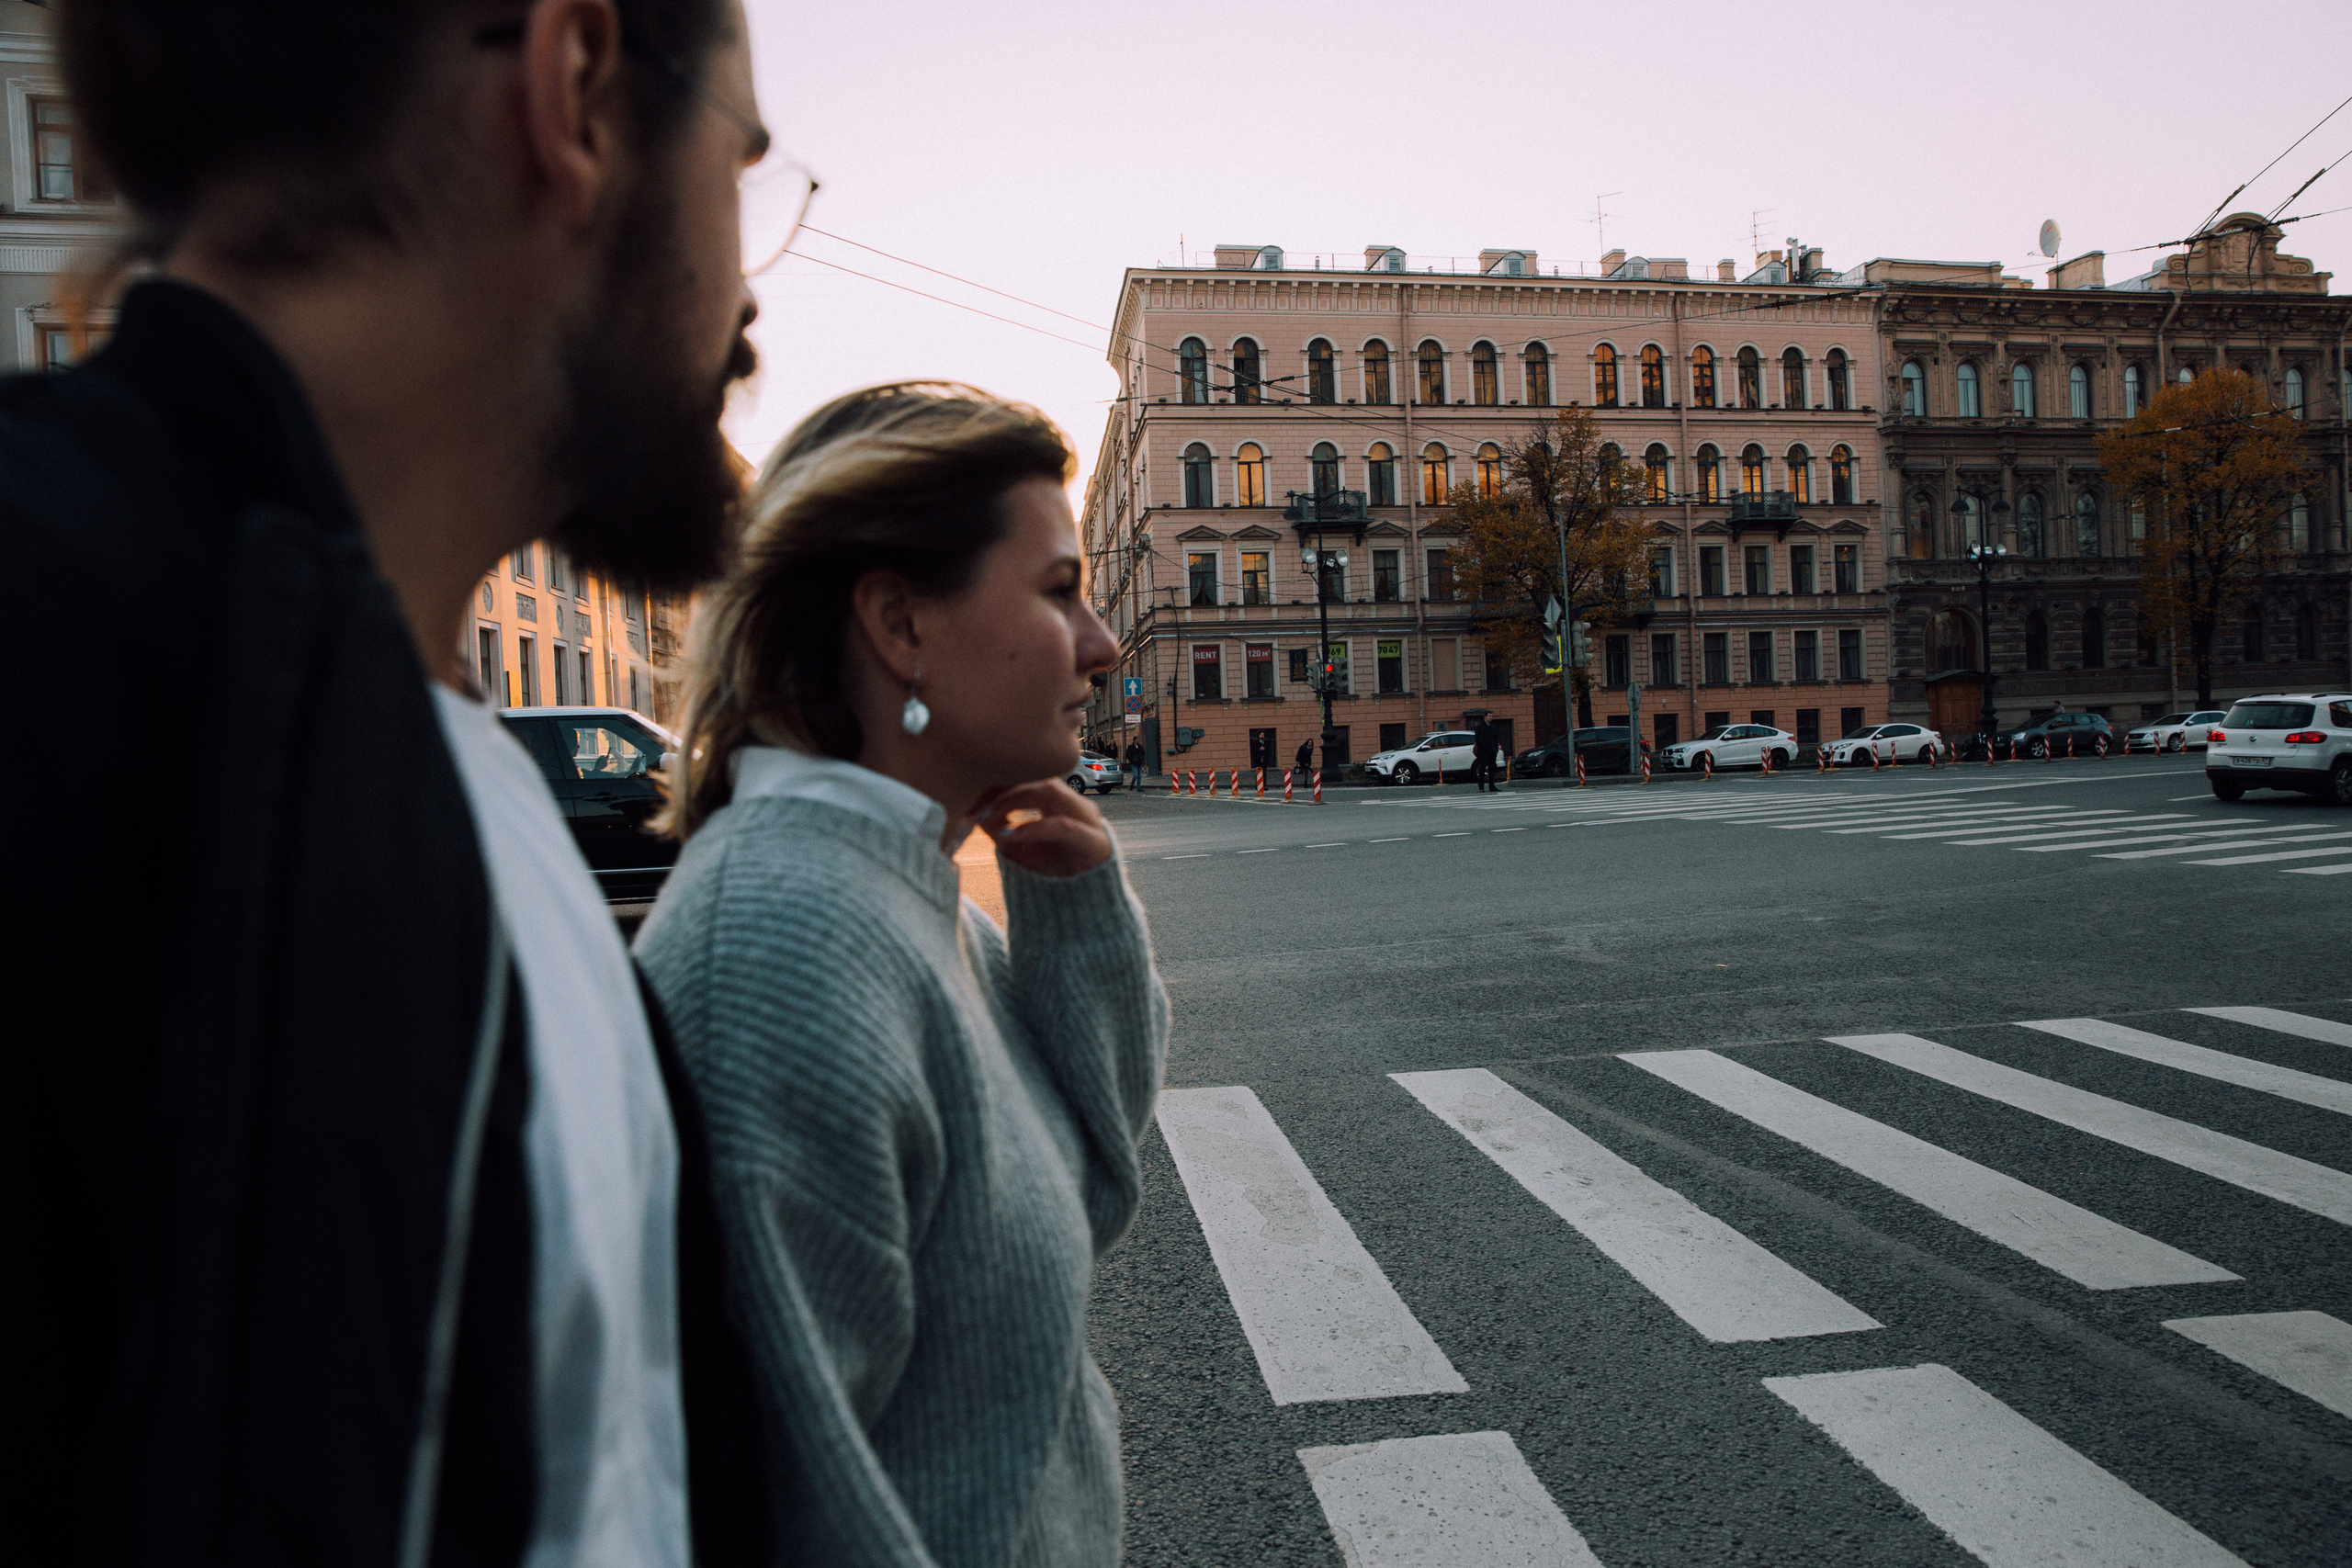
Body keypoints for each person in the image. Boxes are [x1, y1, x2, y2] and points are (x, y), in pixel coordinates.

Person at [6, 2, 775, 1562]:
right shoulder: (53, 644)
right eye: (743, 169)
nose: (749, 294)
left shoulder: (463, 760)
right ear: (576, 88)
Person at [639, 384, 1168, 1567]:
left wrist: (1077, 923)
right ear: (899, 624)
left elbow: (1081, 1202)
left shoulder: (907, 891)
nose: (1101, 642)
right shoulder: (786, 951)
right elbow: (786, 1503)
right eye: (1056, 589)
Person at [1473, 715, 1502, 791]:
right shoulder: (1480, 727)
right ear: (1485, 717)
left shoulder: (1493, 727)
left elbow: (1496, 738)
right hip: (1484, 751)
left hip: (1492, 751)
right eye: (1489, 716)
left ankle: (1492, 786)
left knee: (1492, 769)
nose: (1491, 717)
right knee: (1482, 768)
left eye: (1492, 716)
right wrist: (1481, 749)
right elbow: (1478, 740)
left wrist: (1496, 749)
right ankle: (1481, 786)